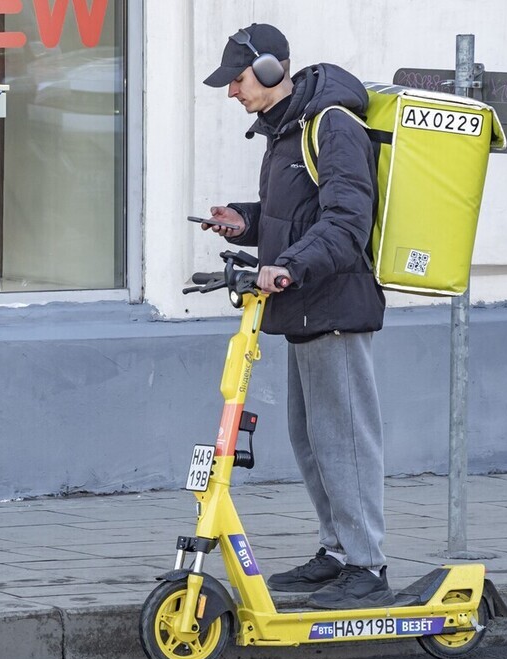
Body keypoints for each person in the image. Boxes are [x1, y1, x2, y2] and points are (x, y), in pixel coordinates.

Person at [201, 24, 392, 609]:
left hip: (334, 304)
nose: (231, 92)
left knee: (345, 440)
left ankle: (368, 565)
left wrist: (284, 266)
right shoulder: (287, 131)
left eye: (236, 80)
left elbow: (346, 222)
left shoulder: (332, 123)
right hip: (302, 306)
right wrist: (247, 221)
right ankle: (336, 552)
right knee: (309, 439)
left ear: (266, 70)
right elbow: (300, 213)